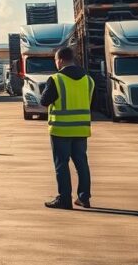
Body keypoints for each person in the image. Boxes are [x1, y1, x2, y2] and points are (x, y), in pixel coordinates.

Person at [40, 46, 94, 209]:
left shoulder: (56, 79)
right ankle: (84, 197)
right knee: (82, 163)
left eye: (56, 60)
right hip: (81, 129)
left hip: (61, 129)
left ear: (61, 60)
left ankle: (64, 199)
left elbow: (44, 101)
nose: (56, 63)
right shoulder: (88, 79)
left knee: (61, 164)